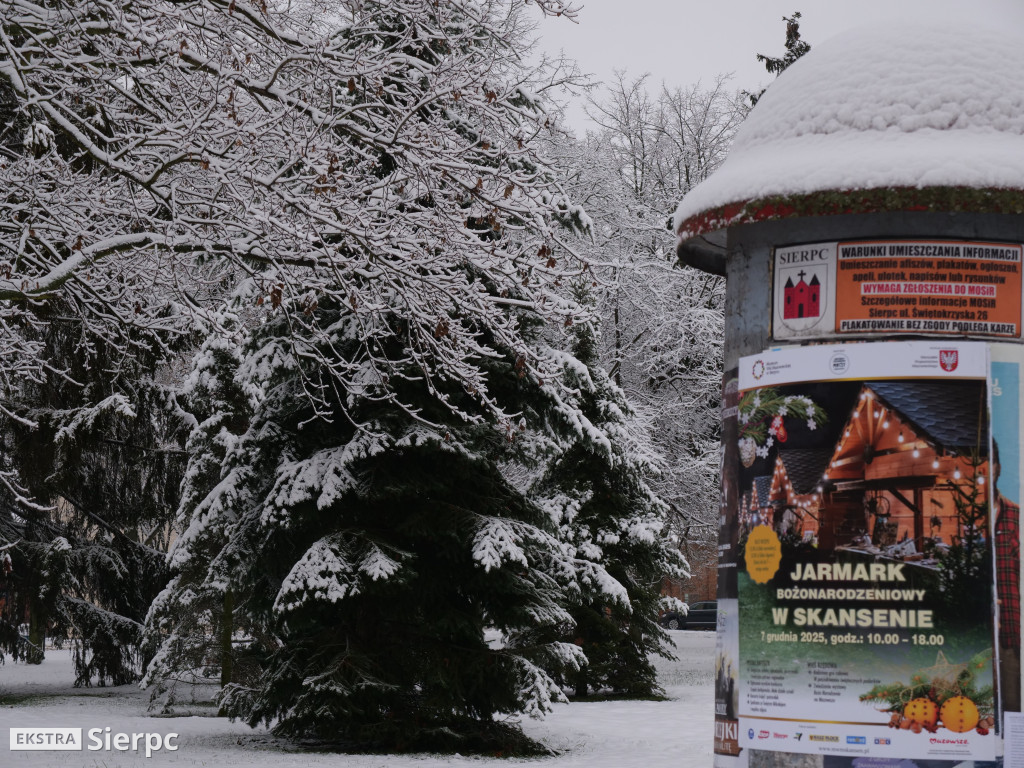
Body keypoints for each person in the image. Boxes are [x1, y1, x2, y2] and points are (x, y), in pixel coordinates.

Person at [994, 440, 1021, 713]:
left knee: (1012, 704)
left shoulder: (1015, 515)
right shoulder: (971, 517)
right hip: (974, 639)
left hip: (1010, 632)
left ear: (998, 467)